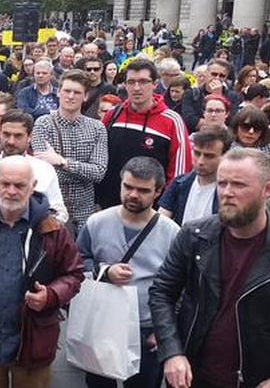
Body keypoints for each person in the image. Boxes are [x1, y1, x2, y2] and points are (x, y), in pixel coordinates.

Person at [0, 156, 84, 388]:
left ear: (33, 186)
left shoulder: (53, 230)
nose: (11, 191)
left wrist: (51, 296)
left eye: (20, 185)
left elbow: (74, 273)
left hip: (33, 338)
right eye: (5, 184)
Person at [149, 148, 270, 388]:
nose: (227, 193)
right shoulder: (194, 235)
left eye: (239, 185)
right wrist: (172, 352)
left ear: (267, 190)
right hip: (192, 377)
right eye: (222, 183)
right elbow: (161, 292)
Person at [77, 156, 180, 388]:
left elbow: (181, 286)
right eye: (128, 187)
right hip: (103, 323)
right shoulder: (96, 222)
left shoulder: (172, 233)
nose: (133, 195)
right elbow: (77, 262)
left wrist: (165, 332)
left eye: (143, 190)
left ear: (158, 192)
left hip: (147, 328)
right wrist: (105, 271)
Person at [98, 59, 192, 209]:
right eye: (131, 82)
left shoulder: (172, 121)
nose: (136, 88)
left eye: (143, 81)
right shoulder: (112, 115)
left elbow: (179, 173)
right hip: (109, 207)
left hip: (149, 212)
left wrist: (165, 207)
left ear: (155, 84)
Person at [31, 69, 108, 232]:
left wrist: (63, 162)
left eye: (77, 92)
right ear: (58, 92)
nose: (71, 96)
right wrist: (82, 172)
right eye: (67, 91)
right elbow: (44, 171)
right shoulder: (43, 124)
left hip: (84, 214)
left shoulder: (97, 128)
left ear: (85, 96)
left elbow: (99, 173)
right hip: (51, 212)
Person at [0, 110, 69, 222]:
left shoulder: (44, 170)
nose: (11, 141)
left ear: (29, 136)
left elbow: (60, 213)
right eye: (6, 134)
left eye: (18, 136)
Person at [159, 127, 231, 225]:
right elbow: (161, 221)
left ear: (225, 156)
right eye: (197, 153)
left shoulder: (230, 191)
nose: (201, 161)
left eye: (209, 156)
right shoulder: (179, 184)